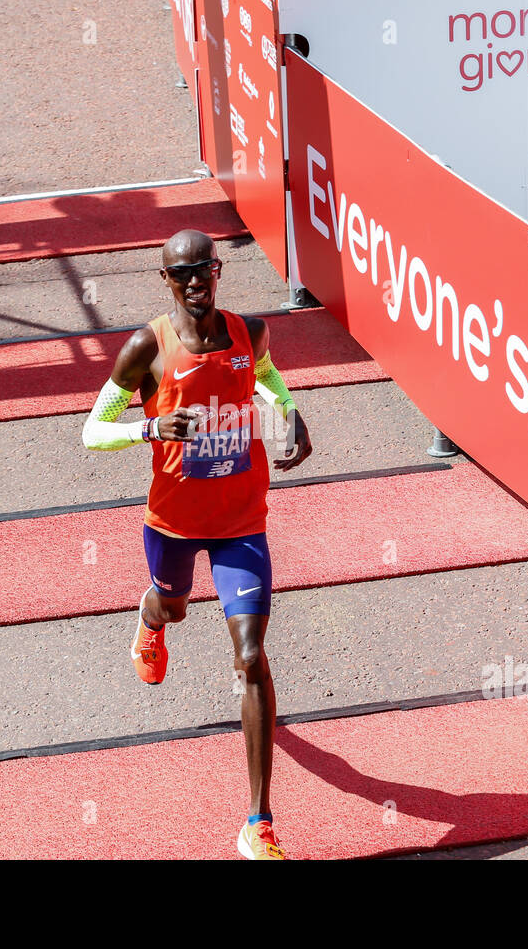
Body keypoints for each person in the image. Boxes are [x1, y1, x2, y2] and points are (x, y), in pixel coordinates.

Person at [82, 228, 312, 859]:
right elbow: (91, 432)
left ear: (217, 270)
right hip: (175, 523)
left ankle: (258, 822)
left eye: (202, 270)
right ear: (166, 281)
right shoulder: (143, 348)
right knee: (173, 604)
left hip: (242, 519)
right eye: (180, 274)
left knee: (251, 652)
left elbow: (268, 379)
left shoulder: (251, 333)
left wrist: (291, 414)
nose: (193, 282)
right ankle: (150, 620)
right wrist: (151, 426)